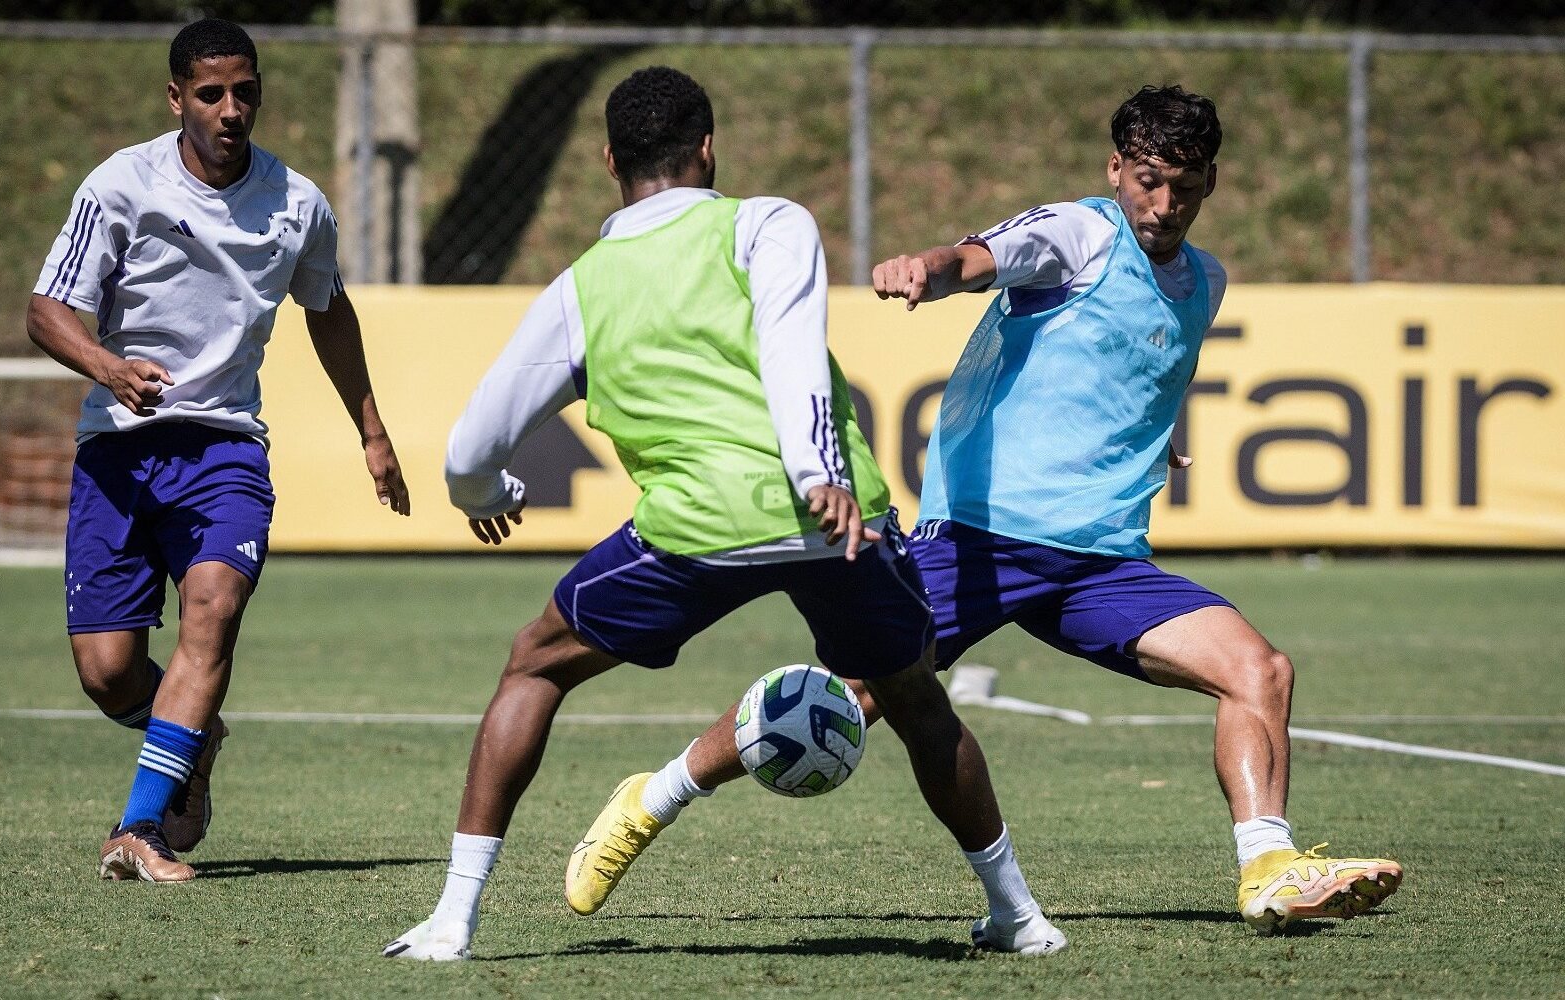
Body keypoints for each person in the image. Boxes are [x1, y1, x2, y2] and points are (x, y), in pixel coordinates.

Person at [585, 85, 1402, 937]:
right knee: (844, 698)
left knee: (1261, 672)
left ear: (1212, 183)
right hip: (982, 541)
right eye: (1149, 179)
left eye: (1186, 186)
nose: (1164, 205)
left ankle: (1268, 867)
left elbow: (1135, 366)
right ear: (1116, 168)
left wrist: (1156, 436)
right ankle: (653, 797)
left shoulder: (1206, 281)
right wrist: (926, 272)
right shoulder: (1081, 231)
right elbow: (977, 259)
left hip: (1101, 561)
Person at [383, 66, 1064, 961]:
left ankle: (452, 922)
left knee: (535, 665)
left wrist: (488, 497)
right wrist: (818, 470)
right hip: (832, 518)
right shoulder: (767, 221)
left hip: (695, 530)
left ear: (607, 161)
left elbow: (471, 446)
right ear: (708, 147)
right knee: (916, 700)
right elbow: (787, 344)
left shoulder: (580, 288)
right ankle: (1017, 916)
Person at [27, 18, 410, 883]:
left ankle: (139, 830)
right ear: (177, 99)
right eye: (210, 94)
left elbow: (329, 309)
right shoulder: (121, 184)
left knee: (213, 606)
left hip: (226, 447)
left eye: (245, 91)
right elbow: (47, 309)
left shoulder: (298, 203)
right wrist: (106, 365)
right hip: (118, 448)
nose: (231, 109)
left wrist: (373, 432)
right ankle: (194, 740)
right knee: (107, 674)